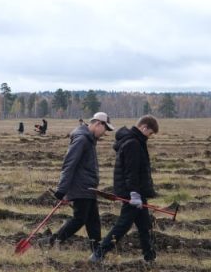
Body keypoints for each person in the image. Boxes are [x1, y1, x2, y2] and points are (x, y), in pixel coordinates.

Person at [93, 115, 160, 263]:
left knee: (145, 226)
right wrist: (134, 194)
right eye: (150, 133)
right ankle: (99, 254)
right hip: (133, 192)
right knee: (123, 225)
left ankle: (150, 257)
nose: (149, 137)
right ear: (144, 128)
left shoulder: (136, 141)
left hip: (137, 191)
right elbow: (132, 171)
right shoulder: (133, 144)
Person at [48, 112, 113, 257]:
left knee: (93, 221)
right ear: (98, 124)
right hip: (80, 186)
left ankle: (97, 251)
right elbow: (69, 164)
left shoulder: (89, 139)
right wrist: (62, 190)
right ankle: (53, 240)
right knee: (80, 219)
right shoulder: (82, 139)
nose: (105, 133)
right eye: (105, 129)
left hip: (88, 187)